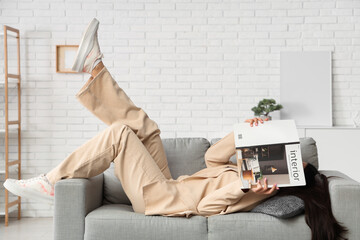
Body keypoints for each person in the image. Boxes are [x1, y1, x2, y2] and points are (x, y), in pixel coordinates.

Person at [4, 18, 347, 240]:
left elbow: (207, 208)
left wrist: (245, 188)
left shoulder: (259, 189)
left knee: (121, 134)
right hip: (168, 184)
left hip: (160, 200)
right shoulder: (249, 165)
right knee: (147, 128)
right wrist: (244, 132)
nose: (286, 159)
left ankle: (51, 182)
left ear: (293, 180)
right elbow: (213, 158)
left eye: (295, 165)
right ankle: (95, 69)